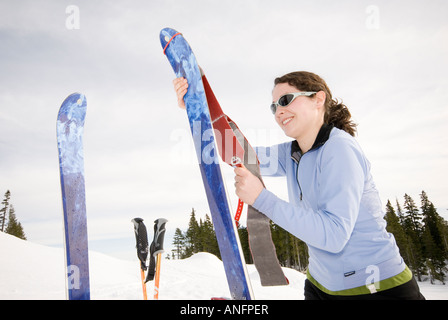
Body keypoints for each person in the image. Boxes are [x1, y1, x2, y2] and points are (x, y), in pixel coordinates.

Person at [172, 71, 425, 300]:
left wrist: (260, 198)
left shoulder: (340, 149)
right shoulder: (293, 152)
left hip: (377, 288)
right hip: (320, 286)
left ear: (318, 99)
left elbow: (334, 235)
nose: (278, 111)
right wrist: (199, 111)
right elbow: (233, 154)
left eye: (286, 100)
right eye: (274, 106)